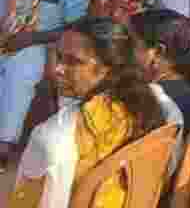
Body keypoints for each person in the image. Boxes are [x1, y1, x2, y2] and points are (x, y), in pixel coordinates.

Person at [11, 17, 169, 208]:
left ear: (108, 68)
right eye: (59, 57)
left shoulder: (53, 137)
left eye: (73, 61)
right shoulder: (160, 107)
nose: (57, 69)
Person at [0, 0, 90, 165]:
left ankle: (4, 142)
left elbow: (75, 29)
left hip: (44, 47)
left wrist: (33, 38)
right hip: (7, 42)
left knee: (19, 73)